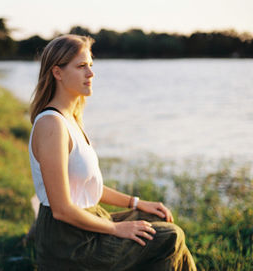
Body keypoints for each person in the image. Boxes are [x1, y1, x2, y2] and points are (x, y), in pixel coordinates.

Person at [28, 34, 196, 271]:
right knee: (170, 237)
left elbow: (84, 187)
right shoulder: (51, 125)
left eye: (91, 66)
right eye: (81, 66)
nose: (91, 74)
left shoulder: (70, 120)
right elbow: (62, 209)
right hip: (69, 243)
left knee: (157, 219)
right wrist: (117, 228)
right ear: (58, 72)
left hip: (84, 223)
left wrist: (136, 202)